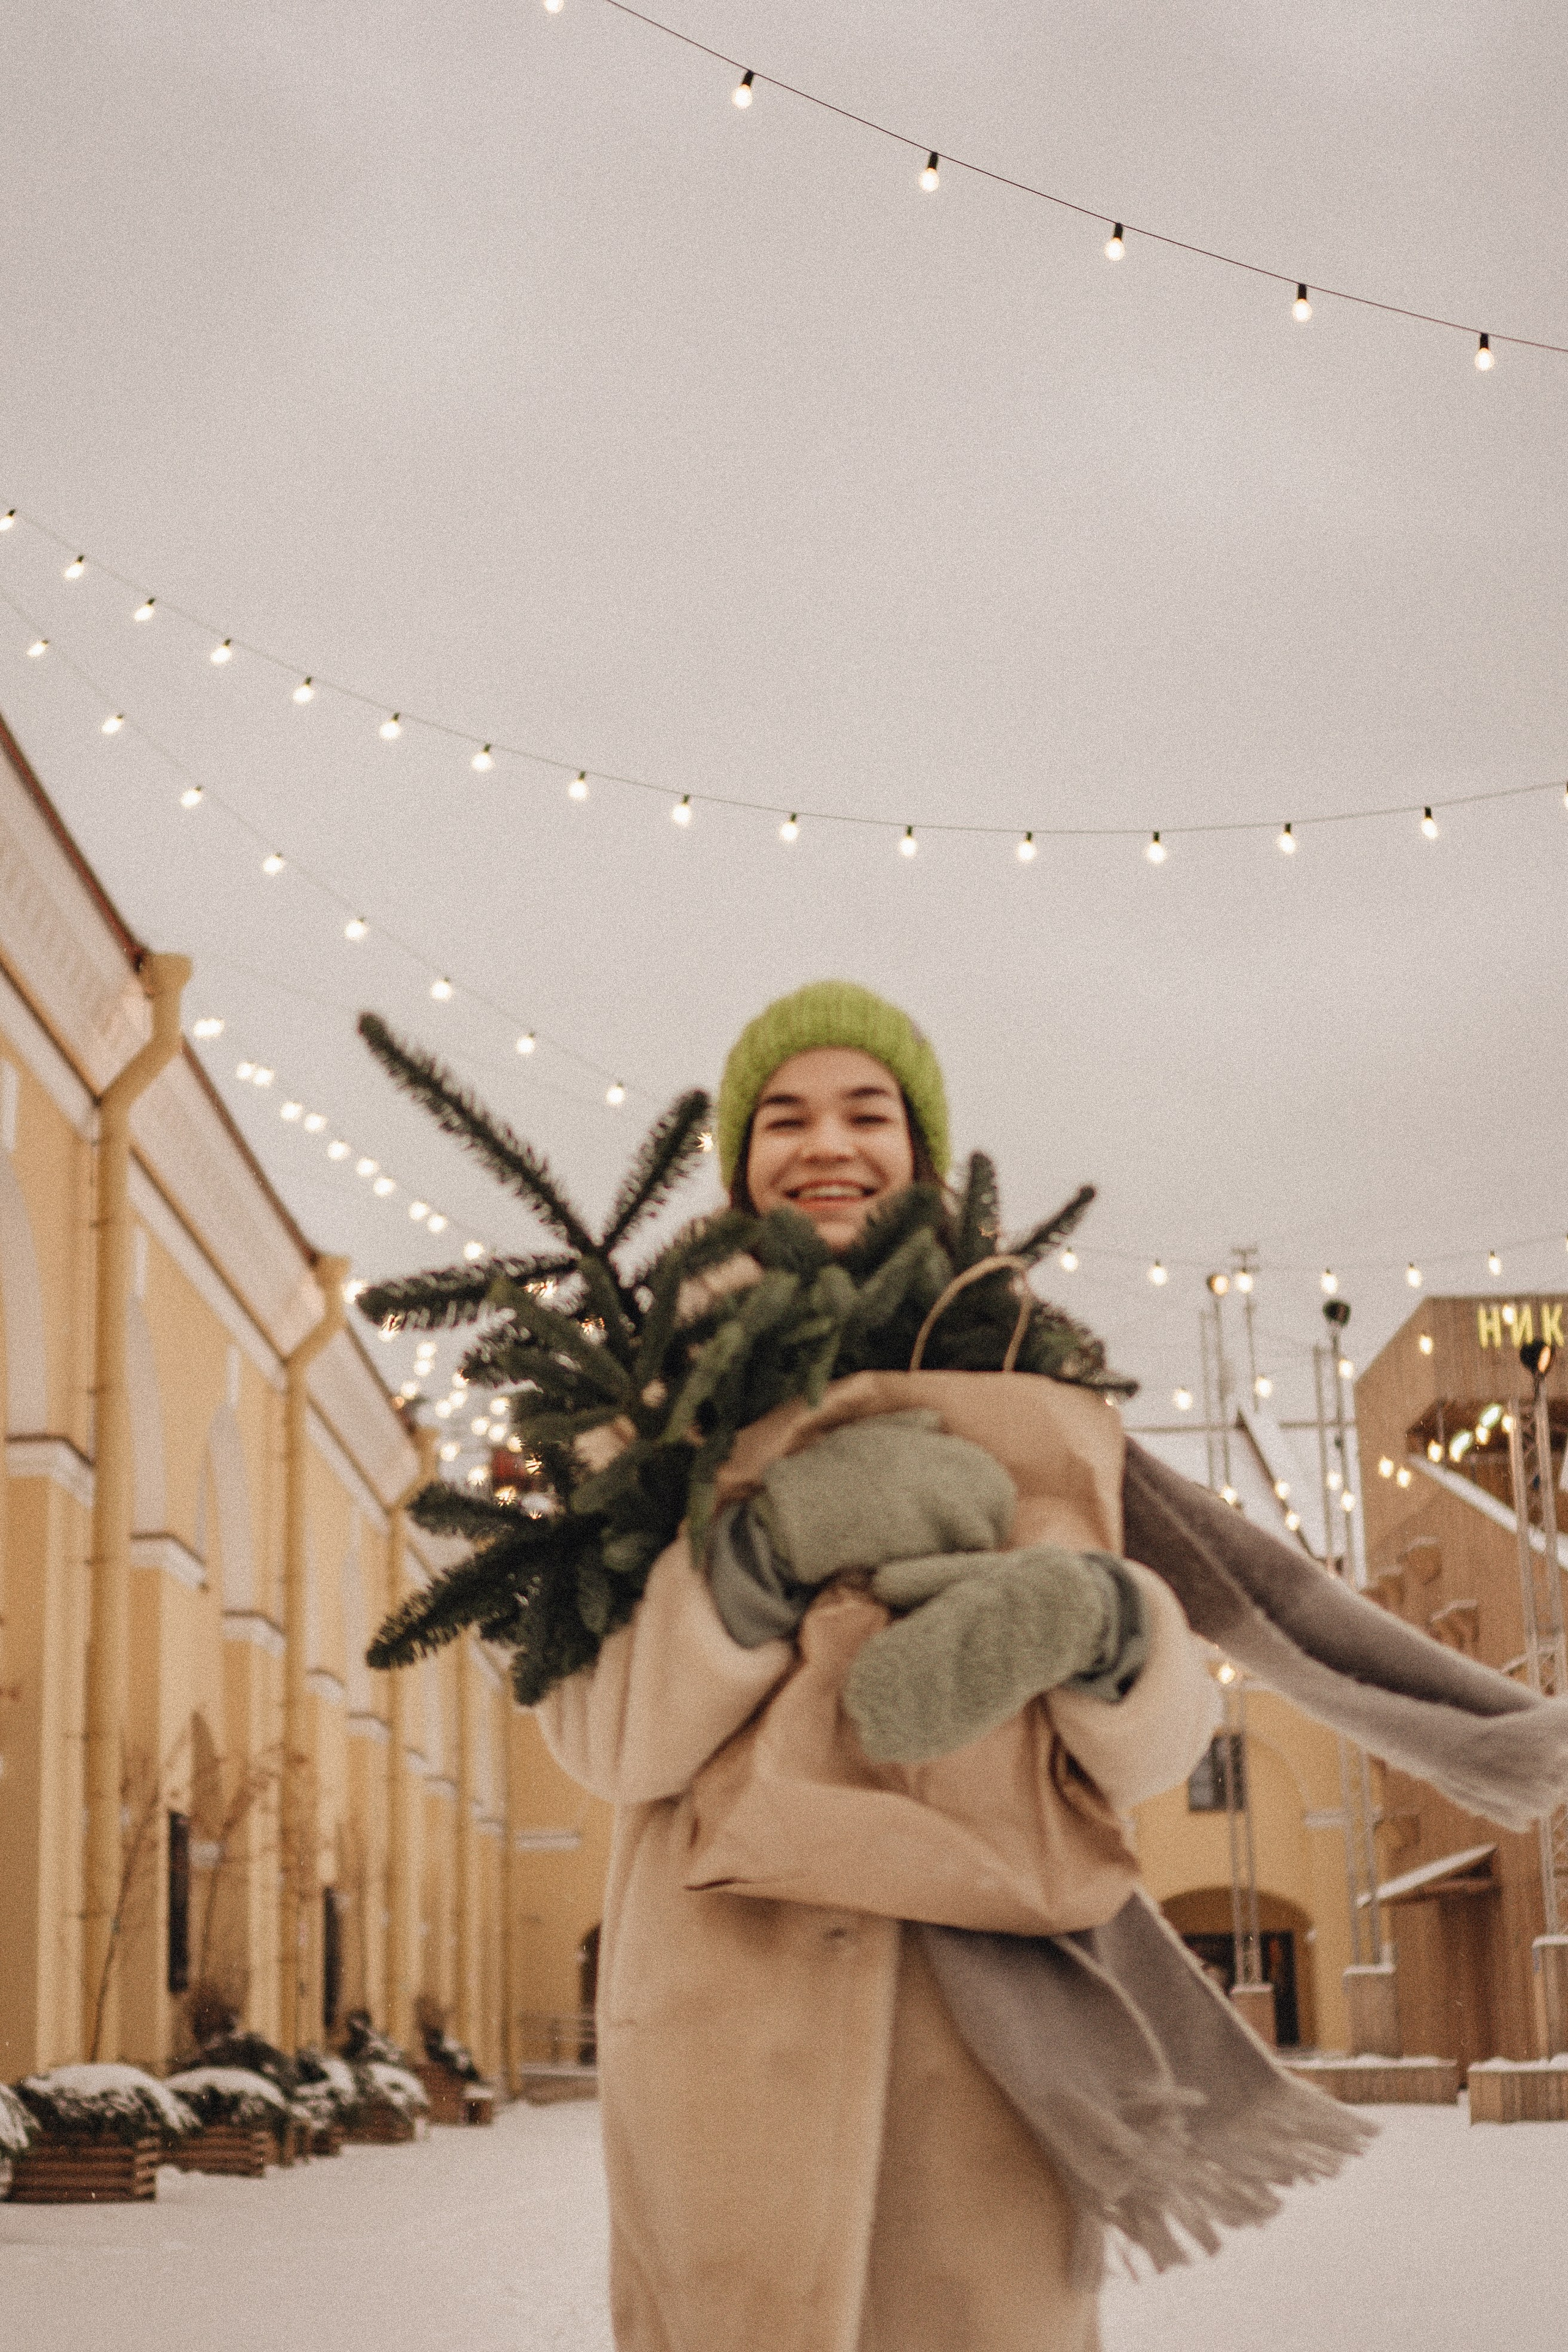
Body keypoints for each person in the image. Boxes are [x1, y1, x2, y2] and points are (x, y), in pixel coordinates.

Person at [537, 981, 1568, 2352]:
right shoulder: (640, 1407)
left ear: (919, 1150)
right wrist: (762, 1554)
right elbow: (604, 1742)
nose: (825, 1144)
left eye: (866, 1111)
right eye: (782, 1118)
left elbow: (1130, 1759)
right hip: (731, 2012)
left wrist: (1106, 1625)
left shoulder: (1036, 1393)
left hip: (988, 2039)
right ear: (738, 1163)